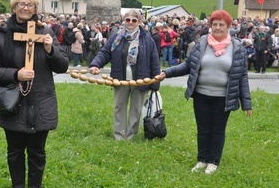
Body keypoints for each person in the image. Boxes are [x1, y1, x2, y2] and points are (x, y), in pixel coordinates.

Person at [0, 0, 69, 188]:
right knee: (15, 150)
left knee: (37, 150)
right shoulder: (2, 36)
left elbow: (62, 66)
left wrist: (51, 50)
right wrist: (16, 74)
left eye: (30, 4)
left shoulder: (45, 32)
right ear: (14, 7)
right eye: (21, 4)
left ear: (35, 8)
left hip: (41, 100)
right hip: (13, 101)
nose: (25, 7)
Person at [158, 10, 252, 174]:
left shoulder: (237, 48)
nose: (217, 27)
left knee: (217, 130)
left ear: (228, 27)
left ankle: (213, 161)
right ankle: (202, 159)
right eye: (214, 24)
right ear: (210, 26)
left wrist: (246, 103)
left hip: (223, 97)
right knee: (203, 129)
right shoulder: (201, 44)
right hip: (201, 95)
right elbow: (188, 66)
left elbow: (242, 76)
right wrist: (168, 72)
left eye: (221, 24)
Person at [89, 9, 161, 140]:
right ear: (124, 20)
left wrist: (155, 82)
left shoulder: (147, 39)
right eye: (128, 19)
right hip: (120, 78)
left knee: (136, 109)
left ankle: (131, 135)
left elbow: (154, 61)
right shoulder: (116, 38)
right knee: (119, 107)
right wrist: (95, 64)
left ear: (139, 22)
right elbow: (105, 53)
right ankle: (119, 135)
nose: (131, 22)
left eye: (134, 20)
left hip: (140, 79)